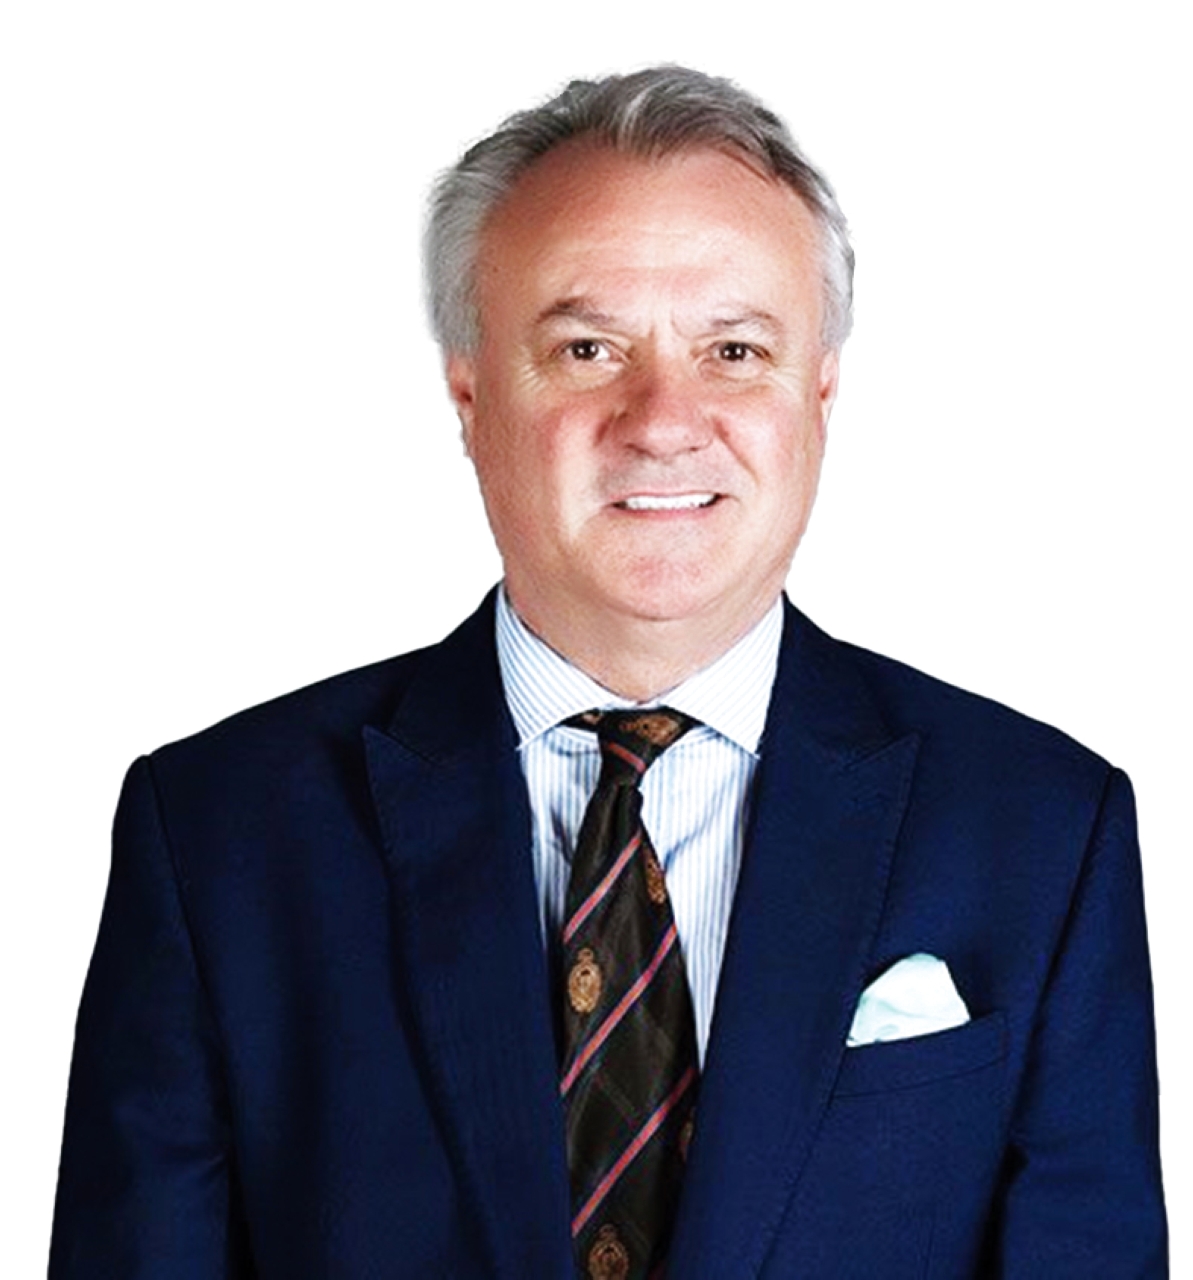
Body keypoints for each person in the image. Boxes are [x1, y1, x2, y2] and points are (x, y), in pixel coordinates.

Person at [50, 66, 1166, 1278]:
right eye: (586, 348)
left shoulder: (1041, 831)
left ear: (819, 392)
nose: (663, 418)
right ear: (468, 391)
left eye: (734, 349)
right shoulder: (216, 834)